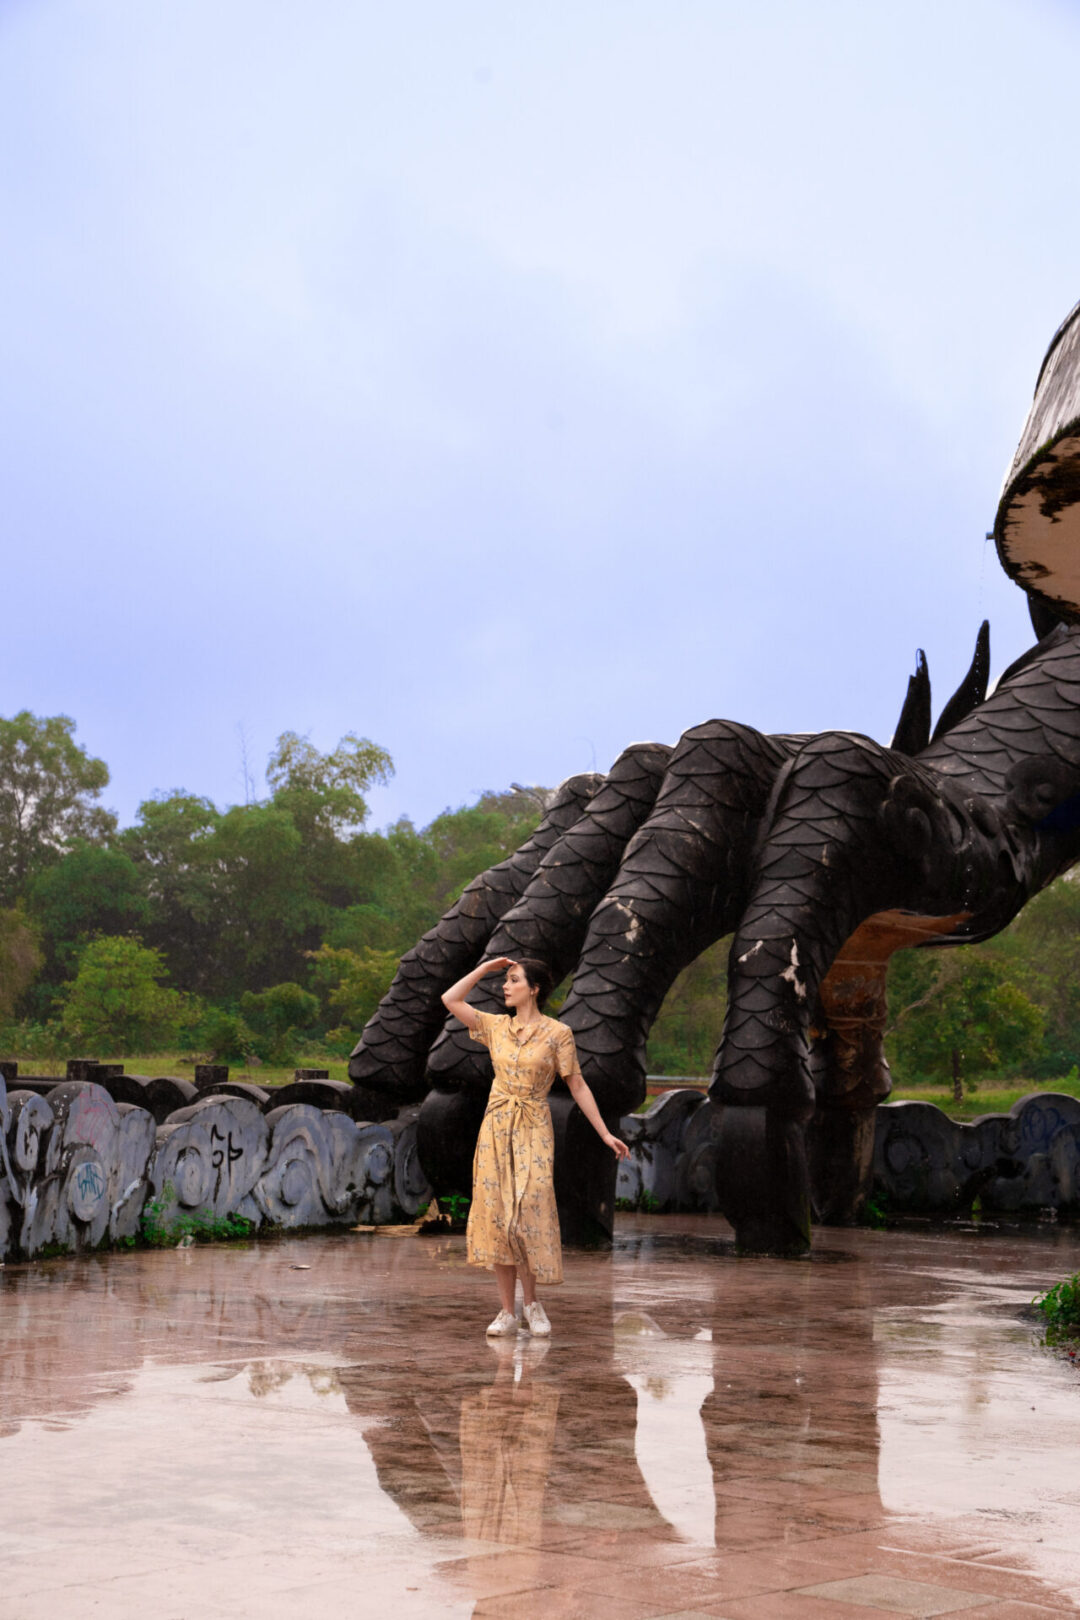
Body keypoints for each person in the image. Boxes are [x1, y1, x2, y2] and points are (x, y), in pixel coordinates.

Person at [441, 955, 630, 1338]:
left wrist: (604, 1133)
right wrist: (484, 969)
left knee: (527, 1213)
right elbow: (451, 999)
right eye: (505, 980)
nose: (505, 987)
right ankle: (507, 1312)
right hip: (496, 1126)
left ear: (535, 988)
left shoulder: (558, 1033)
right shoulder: (495, 1027)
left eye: (513, 980)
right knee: (499, 1218)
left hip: (533, 1127)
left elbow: (577, 1084)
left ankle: (532, 1304)